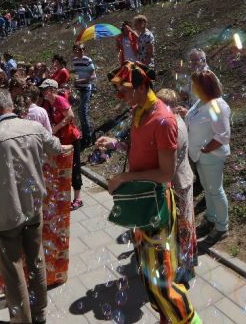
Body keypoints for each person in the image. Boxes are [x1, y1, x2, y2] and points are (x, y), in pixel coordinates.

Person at [97, 62, 201, 324]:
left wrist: (124, 178)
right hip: (142, 204)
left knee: (163, 281)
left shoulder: (164, 121)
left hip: (157, 206)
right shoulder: (139, 111)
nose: (120, 96)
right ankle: (167, 317)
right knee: (148, 274)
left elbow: (166, 174)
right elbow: (139, 148)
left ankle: (189, 320)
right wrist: (115, 143)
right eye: (118, 90)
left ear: (143, 87)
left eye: (125, 90)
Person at [0, 90, 71, 324]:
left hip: (5, 213)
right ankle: (39, 314)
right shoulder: (33, 127)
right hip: (33, 207)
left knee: (13, 268)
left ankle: (22, 320)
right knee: (36, 259)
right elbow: (56, 147)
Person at [155, 88, 197, 285]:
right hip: (178, 181)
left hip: (180, 183)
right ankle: (184, 262)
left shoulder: (175, 127)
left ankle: (186, 268)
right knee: (182, 225)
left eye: (158, 105)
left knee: (184, 226)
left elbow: (170, 163)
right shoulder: (172, 121)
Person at [185, 69, 231, 243]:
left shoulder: (216, 106)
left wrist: (206, 149)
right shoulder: (202, 101)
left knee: (215, 191)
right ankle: (211, 218)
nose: (192, 87)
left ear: (203, 87)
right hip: (200, 155)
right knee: (208, 188)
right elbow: (199, 119)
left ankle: (222, 227)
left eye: (195, 84)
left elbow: (223, 135)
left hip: (211, 156)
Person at [40, 78, 83, 210]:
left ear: (53, 89)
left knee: (75, 167)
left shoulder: (60, 100)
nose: (43, 92)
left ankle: (78, 198)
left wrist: (56, 128)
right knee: (61, 167)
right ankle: (62, 195)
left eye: (45, 89)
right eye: (42, 90)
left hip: (71, 138)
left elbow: (70, 116)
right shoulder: (46, 103)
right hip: (60, 139)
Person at [71, 43, 97, 145]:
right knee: (80, 113)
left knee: (83, 112)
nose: (81, 51)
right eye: (79, 49)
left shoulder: (88, 60)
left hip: (86, 88)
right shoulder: (74, 61)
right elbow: (76, 73)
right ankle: (86, 135)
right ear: (74, 51)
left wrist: (81, 81)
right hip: (79, 89)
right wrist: (76, 81)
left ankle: (88, 138)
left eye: (83, 49)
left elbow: (93, 76)